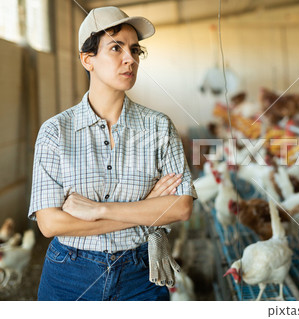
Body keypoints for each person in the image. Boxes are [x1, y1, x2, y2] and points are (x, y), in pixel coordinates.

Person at [28, 6, 197, 301]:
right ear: (87, 59)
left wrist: (98, 210)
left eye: (134, 50)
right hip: (69, 273)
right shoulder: (55, 132)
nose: (129, 59)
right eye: (116, 48)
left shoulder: (158, 127)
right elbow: (50, 224)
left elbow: (181, 207)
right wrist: (146, 209)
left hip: (141, 272)